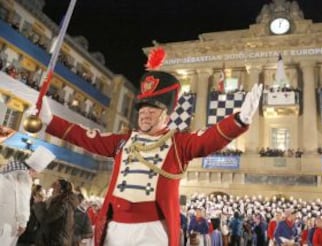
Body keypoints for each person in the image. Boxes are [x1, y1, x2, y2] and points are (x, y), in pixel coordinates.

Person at [37, 68, 263, 245]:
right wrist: (49, 120)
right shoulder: (123, 141)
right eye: (142, 110)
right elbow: (86, 136)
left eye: (152, 110)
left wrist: (239, 119)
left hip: (153, 230)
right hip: (115, 227)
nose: (145, 114)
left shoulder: (178, 143)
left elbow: (208, 139)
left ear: (167, 115)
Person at [0, 146, 55, 246]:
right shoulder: (24, 177)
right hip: (8, 224)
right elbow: (23, 200)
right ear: (34, 169)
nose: (35, 176)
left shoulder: (6, 172)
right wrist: (23, 223)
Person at [32, 179, 78, 246]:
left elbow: (45, 218)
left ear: (61, 189)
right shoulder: (60, 201)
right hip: (54, 239)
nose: (52, 188)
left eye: (55, 186)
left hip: (56, 241)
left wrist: (38, 204)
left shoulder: (63, 203)